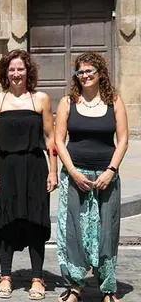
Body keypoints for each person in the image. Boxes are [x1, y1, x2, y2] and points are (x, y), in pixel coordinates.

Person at [54, 52, 128, 302]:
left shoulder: (114, 101)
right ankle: (74, 287)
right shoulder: (68, 102)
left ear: (100, 74)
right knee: (72, 231)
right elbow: (58, 140)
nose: (85, 75)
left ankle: (108, 289)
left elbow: (123, 139)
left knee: (107, 231)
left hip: (106, 176)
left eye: (90, 71)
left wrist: (111, 170)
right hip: (75, 176)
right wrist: (72, 171)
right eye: (81, 72)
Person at [0, 49, 56, 300]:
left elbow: (50, 137)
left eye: (20, 69)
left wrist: (54, 170)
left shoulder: (41, 99)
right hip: (5, 166)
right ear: (5, 72)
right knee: (7, 221)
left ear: (28, 71)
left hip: (34, 165)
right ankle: (5, 276)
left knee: (35, 221)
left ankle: (37, 277)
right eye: (11, 69)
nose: (16, 74)